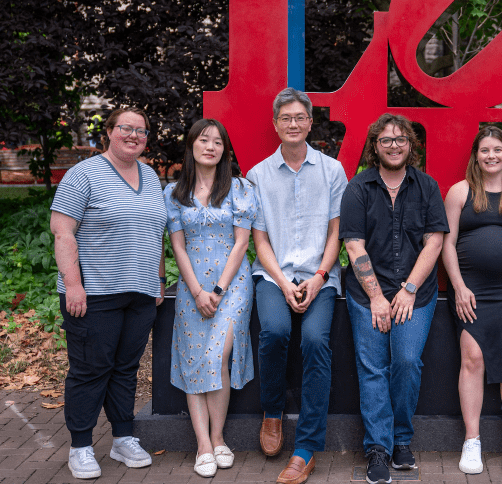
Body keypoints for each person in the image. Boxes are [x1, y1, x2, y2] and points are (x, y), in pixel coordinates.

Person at [50, 107, 166, 480]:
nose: (134, 136)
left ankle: (123, 438)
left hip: (141, 294)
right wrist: (73, 285)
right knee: (89, 370)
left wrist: (160, 280)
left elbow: (156, 234)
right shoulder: (82, 174)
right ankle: (81, 446)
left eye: (141, 131)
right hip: (94, 293)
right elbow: (63, 232)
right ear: (109, 132)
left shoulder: (150, 175)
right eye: (126, 128)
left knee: (126, 370)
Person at [340, 114, 449, 484]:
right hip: (367, 293)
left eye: (400, 139)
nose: (394, 145)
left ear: (411, 145)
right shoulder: (358, 188)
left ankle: (402, 439)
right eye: (386, 140)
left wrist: (408, 290)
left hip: (415, 294)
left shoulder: (427, 186)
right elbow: (354, 244)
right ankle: (378, 449)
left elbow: (435, 240)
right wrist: (376, 297)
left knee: (405, 361)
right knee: (372, 368)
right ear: (375, 146)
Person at [246, 88, 347, 484]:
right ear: (275, 124)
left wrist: (320, 277)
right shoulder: (257, 174)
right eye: (285, 118)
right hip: (274, 274)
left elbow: (336, 232)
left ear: (310, 123)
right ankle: (272, 413)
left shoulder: (332, 170)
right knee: (274, 331)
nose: (292, 124)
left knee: (316, 342)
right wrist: (284, 283)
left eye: (299, 118)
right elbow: (260, 240)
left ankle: (305, 449)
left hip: (321, 275)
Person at [442, 126, 502, 475]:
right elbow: (446, 244)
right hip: (471, 291)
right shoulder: (460, 192)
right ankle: (472, 441)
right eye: (485, 150)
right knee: (472, 357)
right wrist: (458, 286)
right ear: (476, 156)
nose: (492, 156)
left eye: (498, 150)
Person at [164, 119, 257, 477]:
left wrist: (216, 290)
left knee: (218, 354)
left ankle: (219, 437)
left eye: (218, 142)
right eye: (204, 140)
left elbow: (243, 243)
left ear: (224, 151)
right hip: (191, 287)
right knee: (194, 359)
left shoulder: (239, 188)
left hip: (231, 285)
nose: (211, 147)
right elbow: (177, 246)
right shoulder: (173, 192)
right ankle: (203, 444)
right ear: (191, 146)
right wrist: (197, 290)